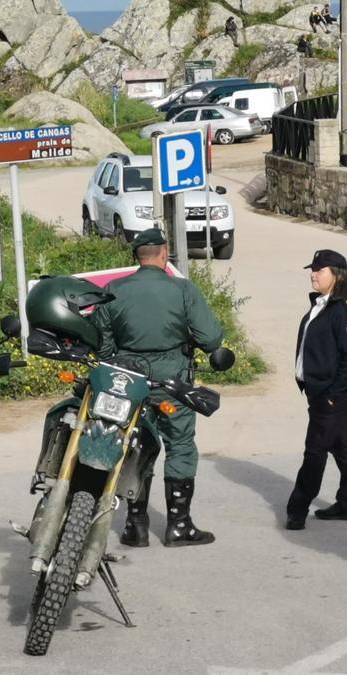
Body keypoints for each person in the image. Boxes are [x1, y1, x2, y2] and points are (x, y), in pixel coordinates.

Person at [94, 228, 224, 548]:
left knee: (136, 446)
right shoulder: (183, 290)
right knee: (179, 446)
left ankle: (135, 525)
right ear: (165, 254)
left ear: (136, 257)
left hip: (130, 384)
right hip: (173, 384)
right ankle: (179, 525)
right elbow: (211, 338)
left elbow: (103, 347)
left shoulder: (114, 290)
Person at [285, 250, 347, 530]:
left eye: (320, 270)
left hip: (331, 395)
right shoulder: (322, 305)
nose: (313, 274)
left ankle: (297, 508)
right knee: (344, 447)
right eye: (313, 269)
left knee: (315, 451)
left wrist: (334, 396)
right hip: (320, 391)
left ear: (337, 274)